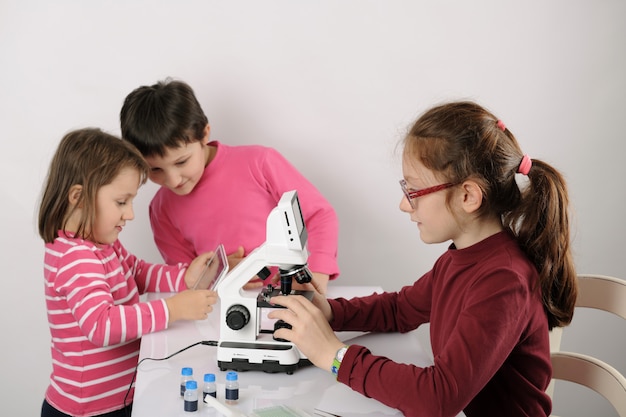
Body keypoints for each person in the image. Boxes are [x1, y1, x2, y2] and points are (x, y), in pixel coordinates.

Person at [268, 101, 578, 417]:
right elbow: (400, 309)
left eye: (413, 191)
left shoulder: (504, 281)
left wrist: (333, 355)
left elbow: (437, 398)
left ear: (468, 196)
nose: (404, 205)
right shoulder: (460, 260)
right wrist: (331, 311)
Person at [38, 128, 219, 417]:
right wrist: (172, 309)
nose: (130, 214)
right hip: (90, 411)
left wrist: (184, 278)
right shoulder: (75, 258)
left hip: (119, 399)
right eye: (121, 202)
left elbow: (137, 272)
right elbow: (101, 324)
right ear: (79, 198)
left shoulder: (101, 244)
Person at [119, 78, 339, 293]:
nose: (174, 180)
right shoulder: (161, 209)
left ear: (204, 134)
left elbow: (319, 214)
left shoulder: (260, 163)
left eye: (182, 161)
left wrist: (317, 272)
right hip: (223, 312)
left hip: (290, 299)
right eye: (155, 170)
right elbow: (187, 280)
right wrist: (219, 274)